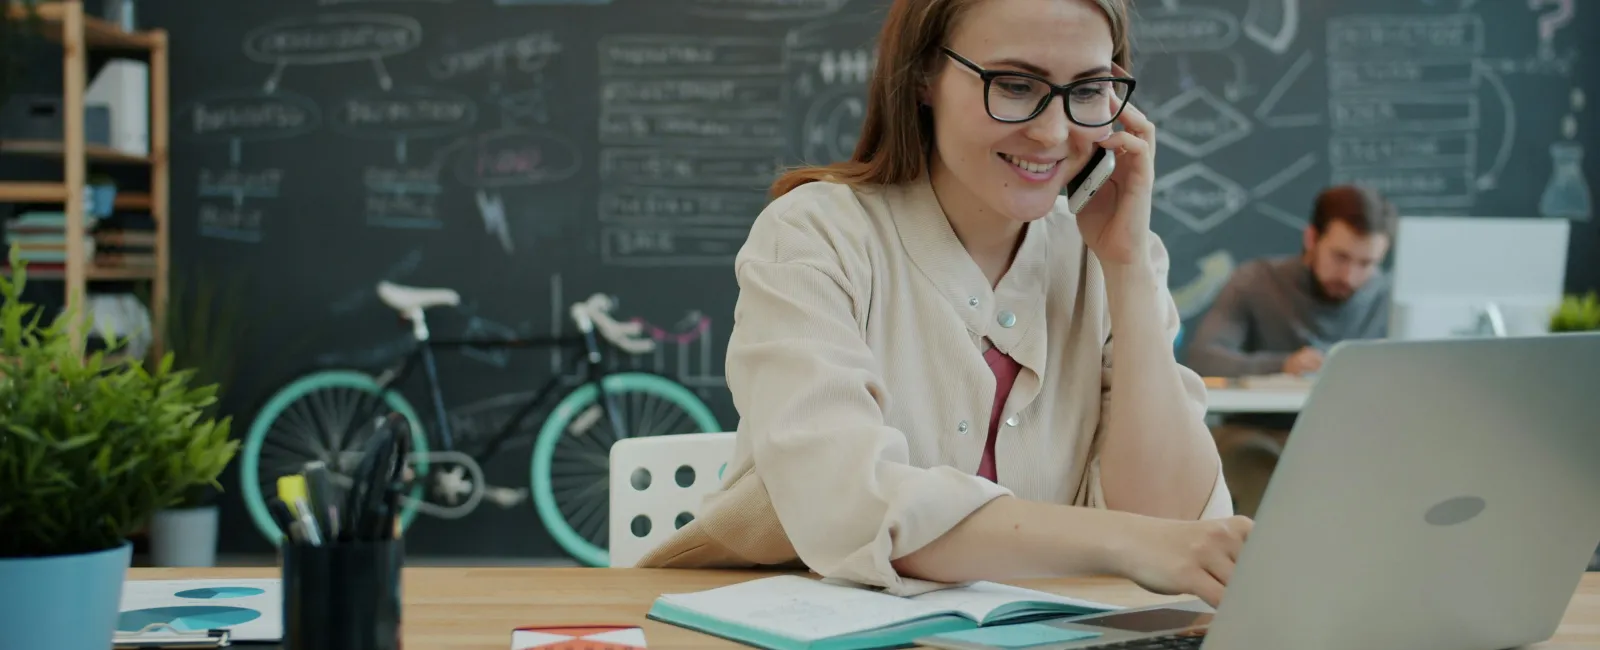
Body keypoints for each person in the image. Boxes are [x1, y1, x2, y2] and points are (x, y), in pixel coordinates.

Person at [633, 0, 1251, 608]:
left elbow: (1172, 529)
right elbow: (850, 506)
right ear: (925, 75)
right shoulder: (814, 235)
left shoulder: (1111, 259)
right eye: (1013, 84)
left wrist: (1128, 267)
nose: (1054, 132)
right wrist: (1125, 543)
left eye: (1088, 90)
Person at [1183, 184, 1396, 516]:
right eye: (1340, 257)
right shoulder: (1255, 281)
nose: (1351, 276)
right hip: (1257, 434)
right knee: (1252, 462)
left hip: (1349, 437)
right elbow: (1202, 358)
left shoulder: (1389, 297)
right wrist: (1283, 364)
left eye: (1366, 263)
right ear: (1312, 239)